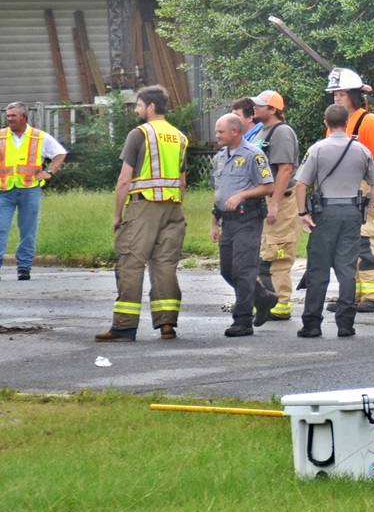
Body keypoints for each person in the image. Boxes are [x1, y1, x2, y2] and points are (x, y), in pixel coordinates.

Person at [97, 86, 188, 342]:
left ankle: (124, 327)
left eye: (138, 105)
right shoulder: (179, 137)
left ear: (150, 106)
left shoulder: (139, 134)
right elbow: (182, 181)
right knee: (165, 265)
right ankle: (167, 324)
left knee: (130, 262)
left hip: (144, 206)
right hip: (173, 207)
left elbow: (124, 180)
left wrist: (117, 214)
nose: (136, 110)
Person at [293, 103, 374, 338]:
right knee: (346, 269)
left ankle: (312, 324)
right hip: (352, 213)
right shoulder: (361, 150)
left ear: (326, 122)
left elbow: (301, 184)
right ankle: (345, 324)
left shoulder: (317, 149)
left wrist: (302, 213)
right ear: (347, 123)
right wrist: (369, 203)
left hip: (325, 214)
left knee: (318, 269)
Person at [0, 102, 67, 281]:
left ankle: (24, 268)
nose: (9, 119)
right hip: (4, 190)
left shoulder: (38, 137)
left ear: (24, 117)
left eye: (13, 116)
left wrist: (49, 171)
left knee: (28, 229)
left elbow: (60, 153)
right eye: (8, 116)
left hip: (30, 189)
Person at [327, 68, 374, 312]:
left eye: (341, 94)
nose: (337, 99)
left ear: (353, 96)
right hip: (342, 192)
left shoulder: (369, 121)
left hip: (365, 189)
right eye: (334, 95)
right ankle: (351, 295)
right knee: (346, 245)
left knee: (368, 243)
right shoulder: (336, 124)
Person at [208, 113, 274, 337]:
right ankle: (263, 298)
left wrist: (242, 195)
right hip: (228, 221)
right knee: (228, 270)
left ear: (235, 131)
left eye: (221, 131)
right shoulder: (219, 157)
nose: (217, 135)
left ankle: (243, 320)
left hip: (248, 219)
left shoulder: (254, 155)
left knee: (244, 270)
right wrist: (214, 222)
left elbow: (268, 186)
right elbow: (219, 192)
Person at [250, 90, 301, 324]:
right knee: (263, 251)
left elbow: (285, 169)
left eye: (260, 105)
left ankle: (279, 302)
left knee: (276, 252)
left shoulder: (281, 132)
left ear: (273, 109)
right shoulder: (261, 131)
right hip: (262, 200)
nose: (255, 108)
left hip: (277, 200)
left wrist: (276, 204)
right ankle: (264, 300)